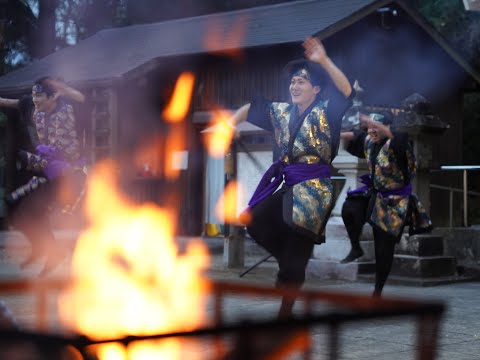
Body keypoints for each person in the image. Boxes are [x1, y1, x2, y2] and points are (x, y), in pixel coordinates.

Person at [229, 36, 354, 317]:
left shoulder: (327, 111)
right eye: (293, 82)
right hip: (290, 185)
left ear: (316, 89)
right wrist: (229, 123)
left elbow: (346, 92)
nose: (294, 86)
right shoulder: (283, 112)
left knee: (297, 252)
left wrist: (323, 60)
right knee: (254, 220)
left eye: (301, 82)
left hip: (314, 191)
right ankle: (288, 262)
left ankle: (285, 312)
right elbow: (252, 107)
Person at [339, 110, 432, 296]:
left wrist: (376, 124)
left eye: (376, 127)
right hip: (375, 194)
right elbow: (356, 136)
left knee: (383, 249)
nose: (372, 131)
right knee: (349, 208)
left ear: (387, 128)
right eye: (370, 127)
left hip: (395, 202)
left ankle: (377, 291)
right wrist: (335, 132)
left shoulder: (398, 144)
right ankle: (356, 247)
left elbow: (399, 139)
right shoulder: (369, 141)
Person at [0, 76, 86, 275]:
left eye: (39, 96)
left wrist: (63, 88)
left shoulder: (70, 108)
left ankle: (53, 252)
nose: (35, 100)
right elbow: (7, 102)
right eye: (34, 96)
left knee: (34, 208)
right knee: (12, 203)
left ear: (53, 97)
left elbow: (80, 97)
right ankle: (44, 249)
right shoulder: (32, 106)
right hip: (49, 171)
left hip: (70, 175)